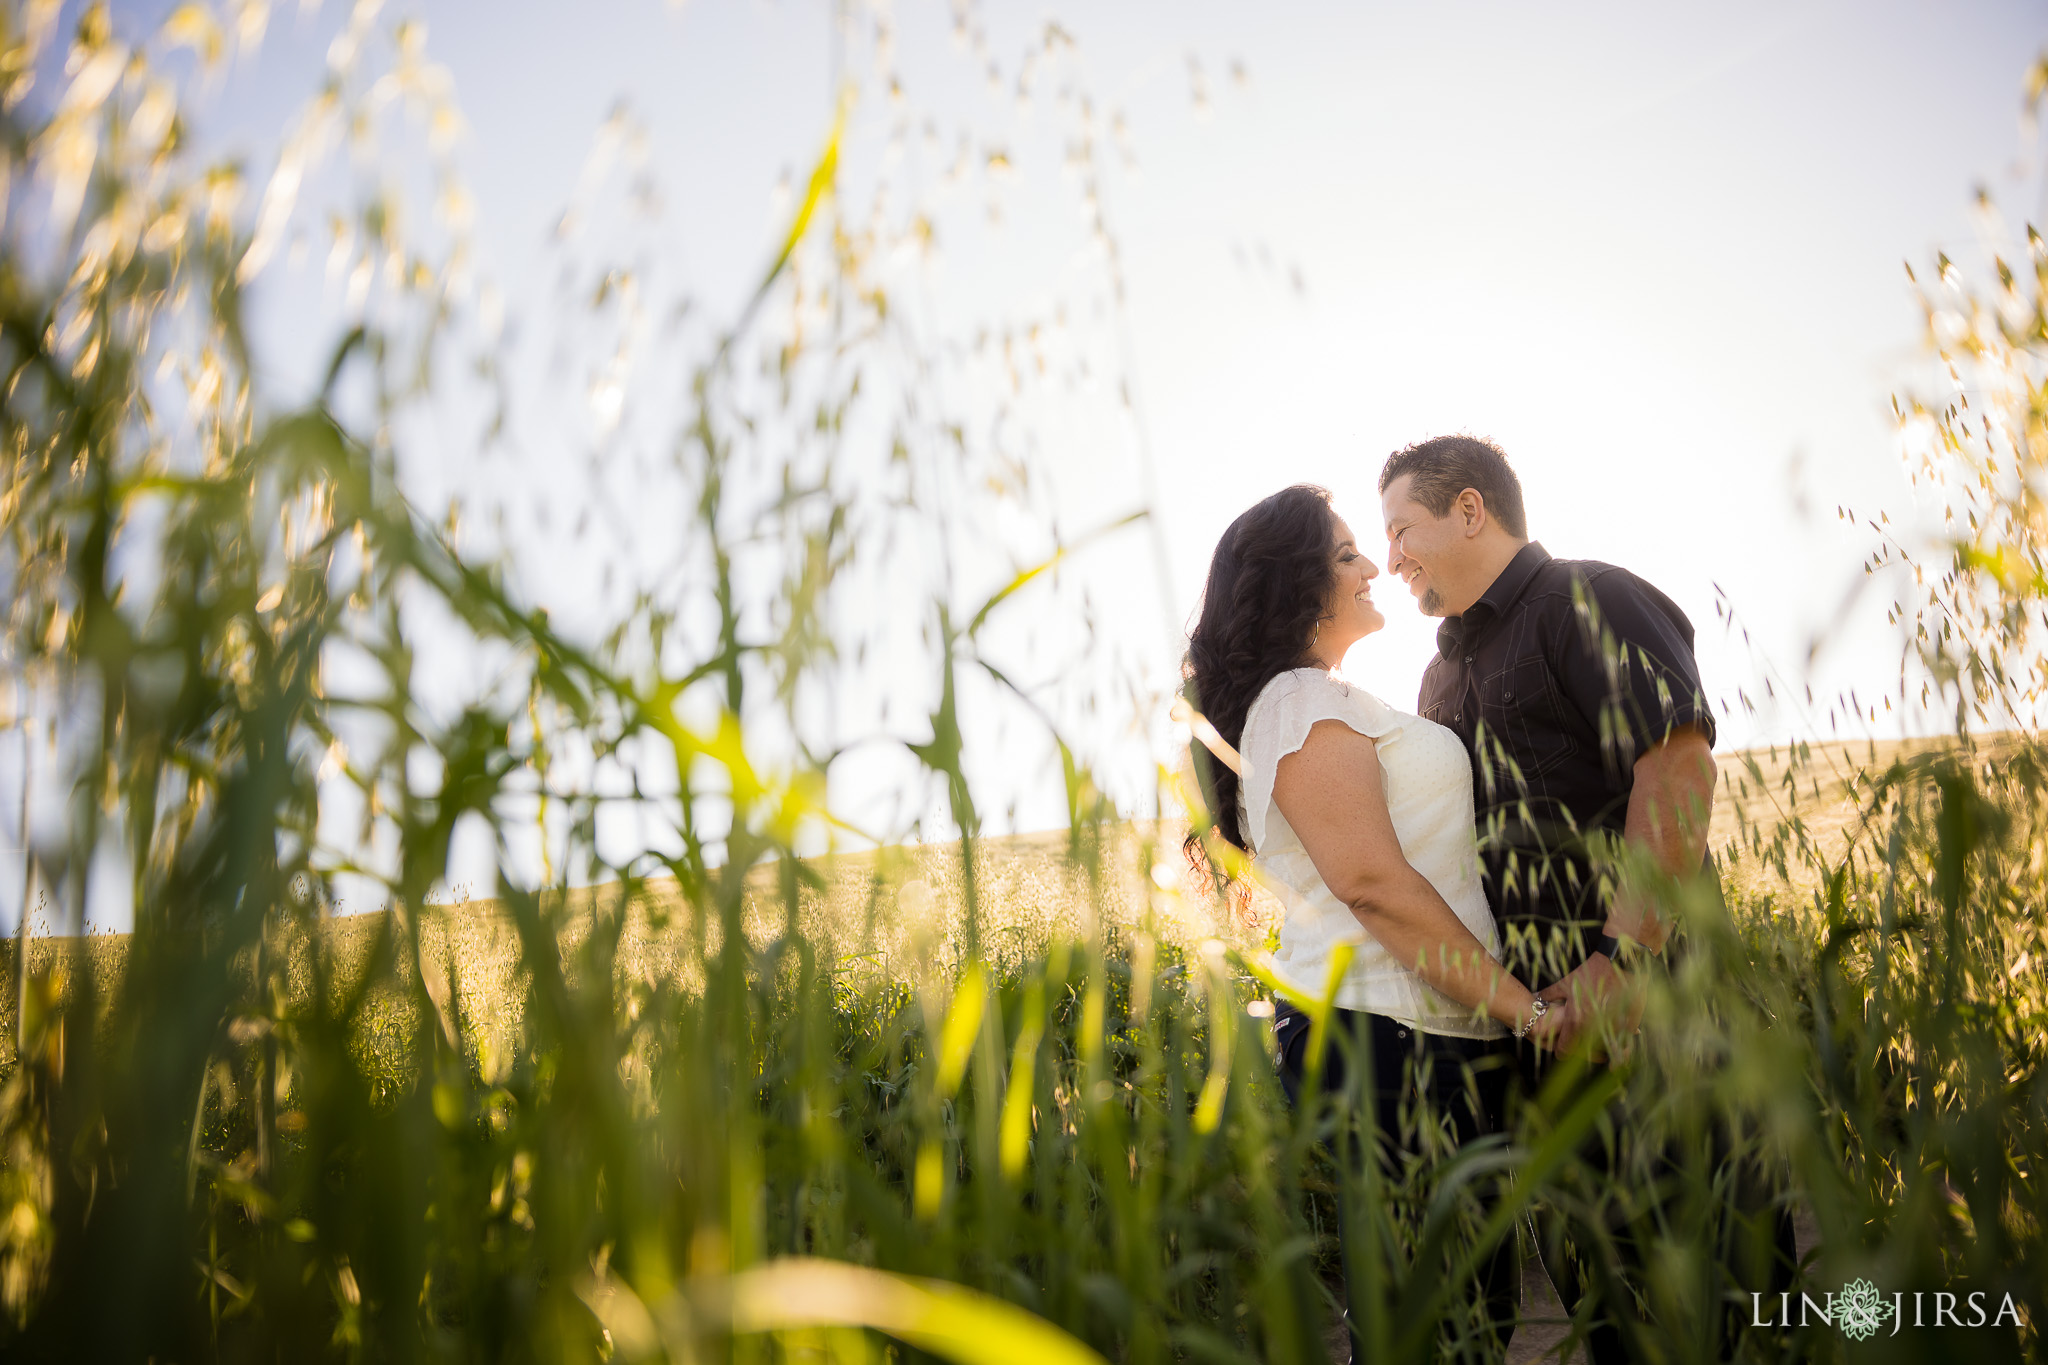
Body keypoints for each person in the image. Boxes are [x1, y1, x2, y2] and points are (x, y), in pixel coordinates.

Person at [1377, 433, 1794, 1364]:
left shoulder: (1592, 597)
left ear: (1471, 509)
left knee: (1721, 1291)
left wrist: (1623, 960)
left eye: (1402, 528)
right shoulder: (1436, 678)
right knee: (1608, 1302)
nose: (1391, 556)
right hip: (1546, 1049)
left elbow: (1677, 770)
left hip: (1663, 1020)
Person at [1182, 483, 1572, 1363]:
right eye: (1349, 551)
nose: (1372, 567)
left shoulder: (1326, 698)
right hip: (1384, 1040)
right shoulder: (1297, 700)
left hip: (1426, 1033)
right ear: (1297, 584)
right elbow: (1373, 884)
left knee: (1464, 1318)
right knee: (1428, 1326)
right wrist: (1529, 1012)